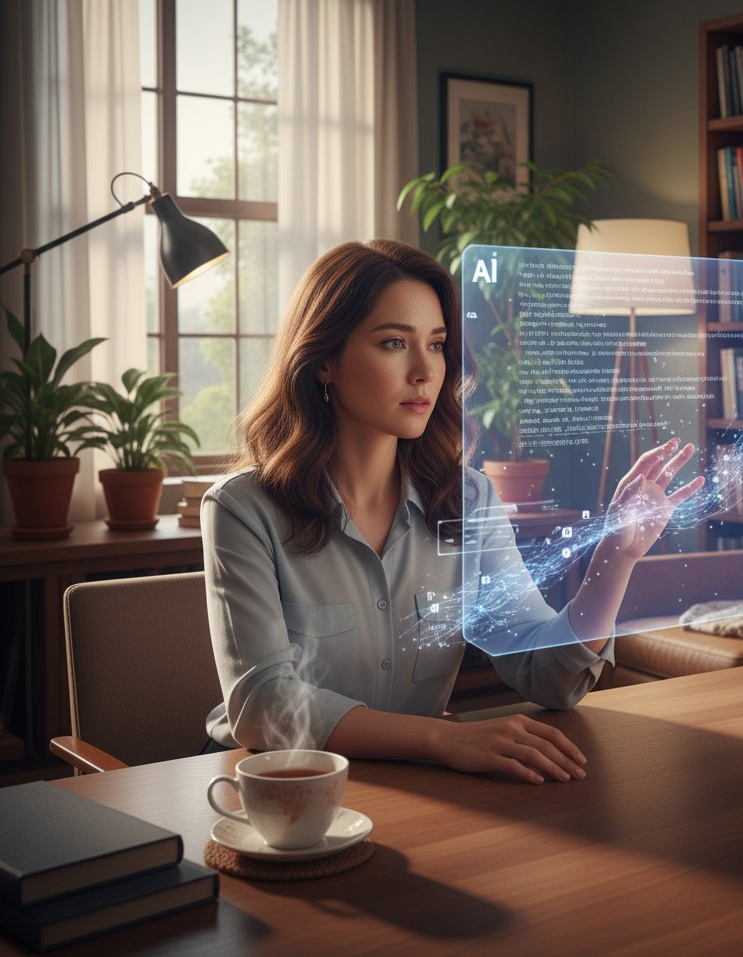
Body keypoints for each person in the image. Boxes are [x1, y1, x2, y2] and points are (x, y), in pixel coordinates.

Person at [202, 239, 703, 785]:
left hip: (417, 787)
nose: (425, 371)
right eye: (394, 342)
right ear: (324, 359)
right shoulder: (242, 507)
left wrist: (615, 556)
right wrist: (442, 736)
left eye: (437, 344)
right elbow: (263, 707)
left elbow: (547, 676)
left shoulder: (471, 500)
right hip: (271, 791)